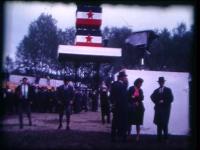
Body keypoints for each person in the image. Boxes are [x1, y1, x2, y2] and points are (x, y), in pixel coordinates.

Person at [150, 77, 173, 142]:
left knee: (165, 123)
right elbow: (151, 97)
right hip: (158, 109)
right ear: (159, 82)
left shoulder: (168, 90)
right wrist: (157, 102)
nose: (161, 83)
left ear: (164, 82)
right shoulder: (156, 90)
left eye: (162, 82)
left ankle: (166, 138)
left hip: (165, 110)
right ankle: (159, 138)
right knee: (159, 123)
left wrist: (164, 101)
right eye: (160, 82)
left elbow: (171, 99)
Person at [110, 71, 129, 142]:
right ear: (122, 77)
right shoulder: (122, 85)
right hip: (121, 106)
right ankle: (122, 136)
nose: (126, 78)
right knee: (122, 122)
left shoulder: (115, 84)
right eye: (125, 77)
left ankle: (114, 136)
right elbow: (123, 96)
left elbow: (111, 96)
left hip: (117, 106)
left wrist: (113, 104)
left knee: (115, 122)